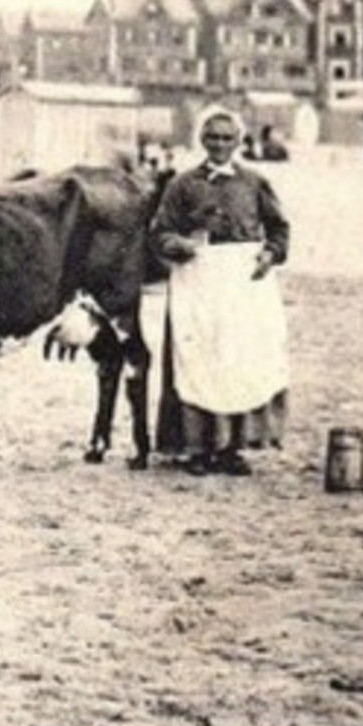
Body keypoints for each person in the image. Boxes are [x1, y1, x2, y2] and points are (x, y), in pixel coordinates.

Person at [151, 107, 292, 476]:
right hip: (198, 280)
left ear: (239, 142)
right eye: (212, 137)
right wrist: (178, 244)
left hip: (242, 284)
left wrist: (269, 254)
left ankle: (232, 448)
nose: (219, 145)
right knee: (198, 357)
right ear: (201, 140)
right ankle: (197, 448)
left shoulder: (254, 183)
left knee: (237, 357)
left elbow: (278, 230)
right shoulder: (182, 185)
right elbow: (159, 231)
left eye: (227, 138)